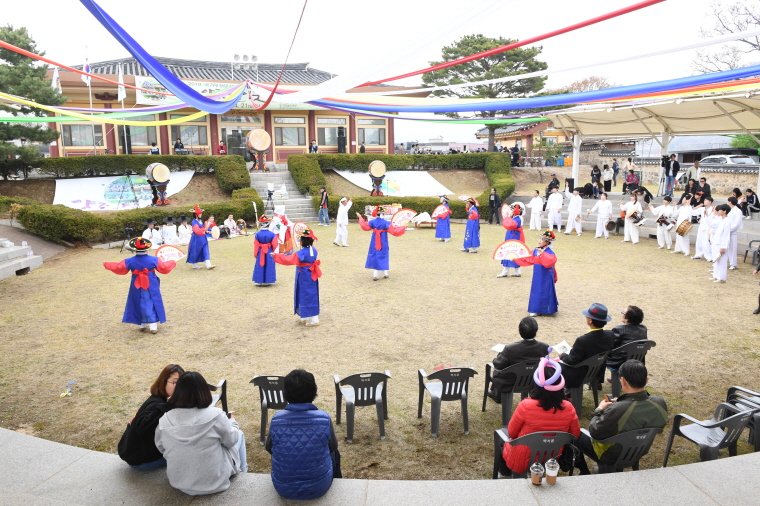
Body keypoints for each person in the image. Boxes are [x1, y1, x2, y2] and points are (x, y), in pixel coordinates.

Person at [155, 371, 247, 495]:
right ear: (204, 390)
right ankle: (244, 473)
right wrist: (232, 422)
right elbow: (231, 440)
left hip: (179, 482)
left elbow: (161, 447)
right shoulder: (215, 415)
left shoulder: (164, 420)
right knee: (239, 434)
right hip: (215, 482)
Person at [574, 360, 668, 475]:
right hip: (640, 449)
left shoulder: (618, 409)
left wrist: (599, 410)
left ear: (622, 381)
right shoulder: (660, 402)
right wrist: (622, 403)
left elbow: (595, 432)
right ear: (646, 380)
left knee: (575, 434)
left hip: (610, 455)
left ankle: (584, 471)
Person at [496, 359, 580, 476]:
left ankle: (504, 473)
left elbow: (512, 434)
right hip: (553, 457)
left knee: (502, 436)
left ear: (536, 384)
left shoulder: (526, 405)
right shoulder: (568, 407)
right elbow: (574, 434)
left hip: (522, 458)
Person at [266, 369, 341, 500]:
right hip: (319, 487)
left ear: (285, 394)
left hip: (283, 488)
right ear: (314, 392)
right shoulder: (323, 418)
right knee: (335, 452)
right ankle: (339, 481)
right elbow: (333, 447)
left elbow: (269, 448)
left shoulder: (276, 419)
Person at [103, 237, 176, 334]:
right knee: (151, 301)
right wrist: (172, 262)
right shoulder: (154, 259)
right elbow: (164, 267)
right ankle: (153, 326)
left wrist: (107, 264)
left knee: (138, 301)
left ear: (134, 249)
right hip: (151, 284)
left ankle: (142, 324)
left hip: (136, 284)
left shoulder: (129, 260)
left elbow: (118, 267)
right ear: (147, 249)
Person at [118, 364, 184, 470]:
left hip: (132, 454)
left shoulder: (159, 399)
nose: (179, 387)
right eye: (175, 382)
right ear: (163, 382)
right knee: (188, 452)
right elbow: (141, 427)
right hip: (142, 461)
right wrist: (169, 405)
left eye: (182, 383)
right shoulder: (157, 405)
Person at [487, 317, 550, 402]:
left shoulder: (510, 349)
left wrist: (500, 354)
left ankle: (497, 396)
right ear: (536, 333)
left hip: (511, 383)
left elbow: (498, 364)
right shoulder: (544, 347)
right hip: (534, 381)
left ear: (519, 330)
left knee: (500, 371)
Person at [559, 303, 615, 392]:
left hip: (581, 374)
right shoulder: (610, 334)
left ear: (590, 321)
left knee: (555, 366)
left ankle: (564, 392)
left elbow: (572, 361)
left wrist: (562, 355)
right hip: (596, 371)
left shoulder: (583, 340)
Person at [274, 228, 322, 326]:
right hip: (312, 274)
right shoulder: (314, 249)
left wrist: (275, 256)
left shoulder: (301, 253)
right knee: (312, 294)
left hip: (303, 275)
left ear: (303, 241)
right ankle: (304, 316)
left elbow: (288, 260)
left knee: (304, 294)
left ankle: (314, 319)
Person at [513, 230, 558, 316]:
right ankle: (535, 308)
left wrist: (543, 255)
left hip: (546, 275)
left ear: (547, 242)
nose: (539, 241)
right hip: (538, 275)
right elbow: (526, 257)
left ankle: (546, 309)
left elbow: (551, 261)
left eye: (542, 239)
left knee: (544, 290)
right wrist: (515, 258)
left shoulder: (549, 253)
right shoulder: (536, 251)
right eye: (540, 238)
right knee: (536, 290)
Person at [358, 206, 406, 280]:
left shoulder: (372, 222)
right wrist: (403, 227)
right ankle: (376, 274)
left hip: (374, 240)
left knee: (376, 254)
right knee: (382, 255)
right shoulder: (386, 223)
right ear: (382, 214)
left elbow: (364, 226)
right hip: (383, 240)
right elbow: (394, 231)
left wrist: (360, 218)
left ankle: (384, 273)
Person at [606, 306, 647, 374]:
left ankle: (598, 381)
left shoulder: (619, 329)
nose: (621, 314)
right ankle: (617, 378)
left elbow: (609, 345)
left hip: (618, 364)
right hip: (637, 362)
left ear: (627, 318)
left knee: (600, 352)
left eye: (623, 313)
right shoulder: (643, 329)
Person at [497, 203, 525, 278]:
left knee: (510, 253)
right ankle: (517, 271)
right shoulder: (516, 218)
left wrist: (507, 217)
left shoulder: (517, 219)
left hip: (513, 238)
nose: (511, 211)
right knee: (514, 253)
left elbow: (509, 225)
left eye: (512, 210)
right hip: (513, 236)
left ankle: (505, 271)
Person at [186, 205, 216, 270]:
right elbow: (196, 230)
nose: (201, 215)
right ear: (196, 214)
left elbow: (203, 228)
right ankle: (194, 264)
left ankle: (208, 264)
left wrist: (210, 228)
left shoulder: (200, 221)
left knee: (205, 250)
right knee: (196, 251)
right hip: (196, 239)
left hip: (202, 238)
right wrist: (205, 229)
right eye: (200, 214)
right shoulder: (194, 222)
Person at [253, 215, 278, 287]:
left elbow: (256, 245)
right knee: (269, 264)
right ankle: (268, 281)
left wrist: (255, 254)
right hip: (269, 250)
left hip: (260, 251)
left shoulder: (257, 234)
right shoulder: (272, 234)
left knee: (259, 264)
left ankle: (259, 281)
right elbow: (275, 244)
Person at [710, 204, 731, 283]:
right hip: (716, 242)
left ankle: (722, 278)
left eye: (720, 210)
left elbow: (726, 235)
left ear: (724, 211)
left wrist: (723, 247)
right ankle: (716, 276)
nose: (718, 211)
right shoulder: (721, 220)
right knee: (716, 261)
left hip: (721, 244)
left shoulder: (727, 221)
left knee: (722, 261)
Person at [693, 196, 715, 260]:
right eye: (704, 200)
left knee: (706, 242)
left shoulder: (713, 209)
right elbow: (693, 212)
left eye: (706, 200)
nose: (704, 201)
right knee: (699, 241)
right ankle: (698, 254)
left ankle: (709, 256)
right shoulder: (702, 209)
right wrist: (691, 206)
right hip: (701, 226)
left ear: (710, 202)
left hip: (708, 227)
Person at [727, 196, 743, 270]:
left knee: (732, 248)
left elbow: (736, 223)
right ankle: (726, 261)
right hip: (726, 231)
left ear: (730, 202)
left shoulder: (738, 211)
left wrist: (729, 229)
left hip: (732, 232)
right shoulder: (729, 210)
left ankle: (733, 263)